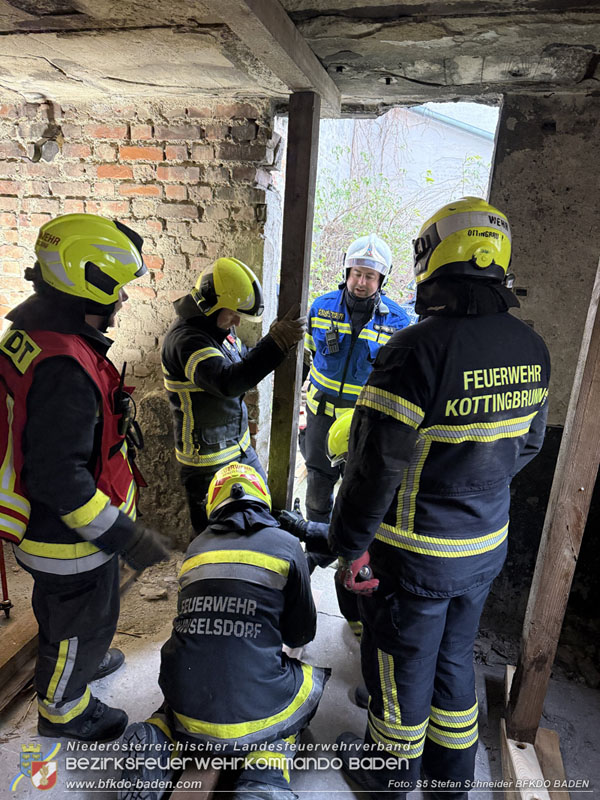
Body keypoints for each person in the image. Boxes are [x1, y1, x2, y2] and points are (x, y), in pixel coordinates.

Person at [327, 197, 551, 799]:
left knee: (400, 669)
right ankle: (450, 782)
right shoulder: (532, 349)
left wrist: (348, 548)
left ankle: (387, 782)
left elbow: (373, 469)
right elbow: (527, 447)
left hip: (415, 554)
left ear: (435, 262)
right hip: (484, 548)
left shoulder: (413, 352)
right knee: (455, 660)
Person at [0, 214, 170, 742]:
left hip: (37, 527)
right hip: (67, 539)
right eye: (118, 290)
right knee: (86, 619)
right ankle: (65, 707)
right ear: (87, 282)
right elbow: (62, 479)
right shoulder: (66, 370)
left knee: (58, 610)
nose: (122, 301)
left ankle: (70, 662)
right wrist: (126, 535)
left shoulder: (32, 329)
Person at [118, 462, 330, 800]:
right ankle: (265, 774)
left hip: (188, 699)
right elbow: (300, 636)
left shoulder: (195, 549)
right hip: (254, 705)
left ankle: (158, 737)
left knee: (184, 691)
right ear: (262, 497)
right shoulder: (287, 546)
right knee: (305, 685)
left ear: (213, 504)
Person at [161, 257, 305, 535]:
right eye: (233, 312)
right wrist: (275, 344)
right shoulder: (187, 341)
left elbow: (241, 361)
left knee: (259, 517)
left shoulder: (218, 329)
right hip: (206, 462)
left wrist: (278, 350)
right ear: (210, 303)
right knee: (214, 540)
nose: (237, 320)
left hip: (238, 450)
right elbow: (228, 381)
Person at [303, 233, 411, 532]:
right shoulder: (321, 308)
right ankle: (316, 544)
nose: (361, 282)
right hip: (321, 414)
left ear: (381, 280)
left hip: (364, 420)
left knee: (358, 486)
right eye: (357, 274)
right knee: (317, 482)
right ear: (346, 273)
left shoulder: (398, 322)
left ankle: (345, 549)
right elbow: (311, 352)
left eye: (370, 276)